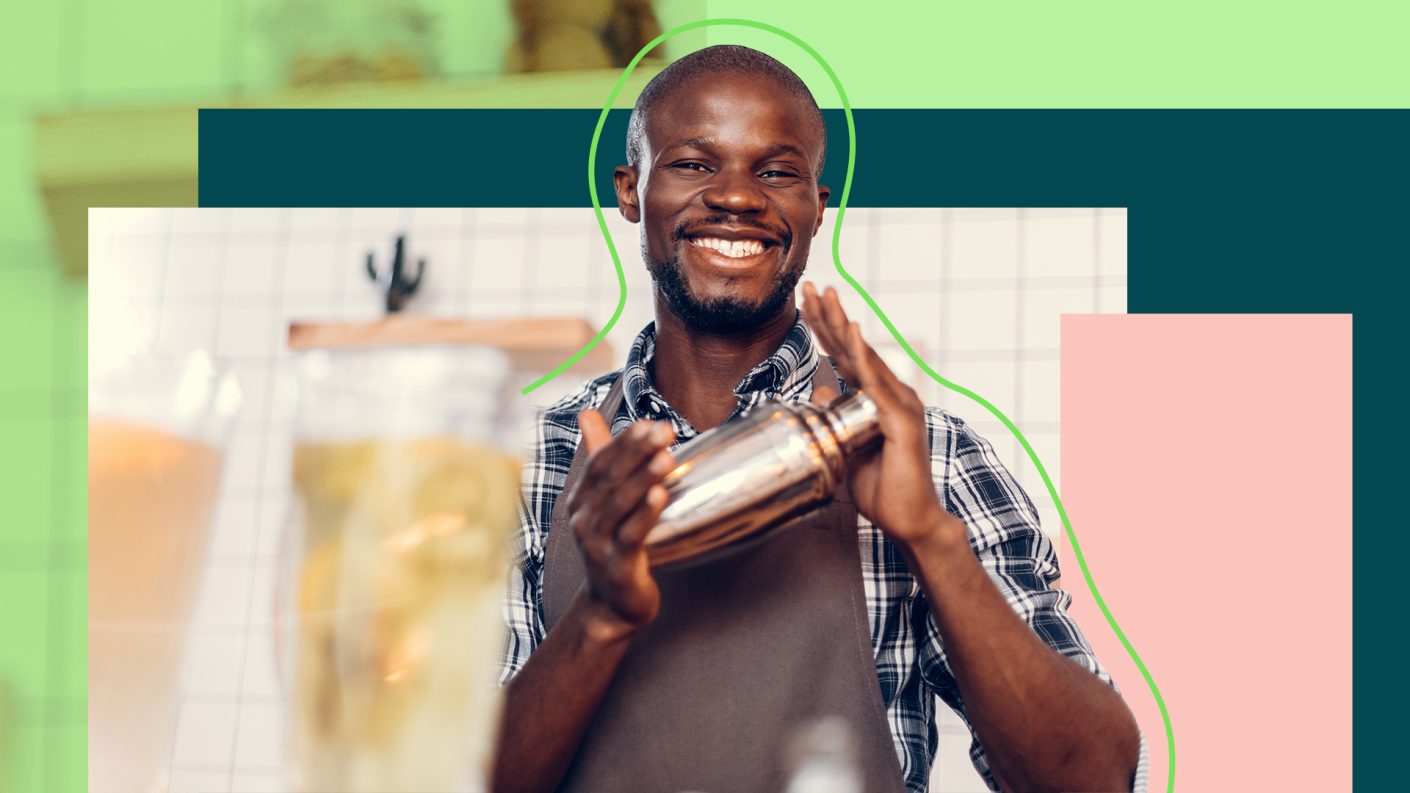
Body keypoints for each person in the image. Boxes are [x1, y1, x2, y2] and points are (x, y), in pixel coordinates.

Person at [494, 44, 1145, 793]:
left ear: (817, 204)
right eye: (694, 164)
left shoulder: (930, 454)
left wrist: (931, 536)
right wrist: (601, 616)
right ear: (630, 189)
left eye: (777, 172)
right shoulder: (529, 462)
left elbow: (1093, 779)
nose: (736, 196)